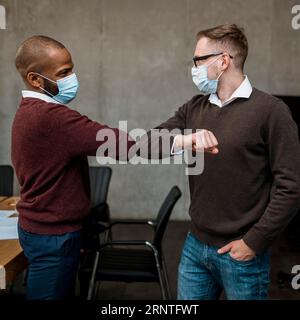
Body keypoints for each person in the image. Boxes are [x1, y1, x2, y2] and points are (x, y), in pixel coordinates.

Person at [143, 24, 300, 299]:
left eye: (198, 60)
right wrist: (185, 139)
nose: (194, 68)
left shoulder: (272, 112)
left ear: (223, 60)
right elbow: (146, 145)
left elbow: (291, 187)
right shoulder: (194, 108)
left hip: (242, 254)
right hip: (195, 247)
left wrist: (254, 242)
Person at [11, 35, 137, 300]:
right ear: (35, 79)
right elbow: (119, 144)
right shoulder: (51, 118)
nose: (72, 78)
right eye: (64, 72)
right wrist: (180, 141)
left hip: (43, 229)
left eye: (72, 69)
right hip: (53, 237)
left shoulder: (29, 110)